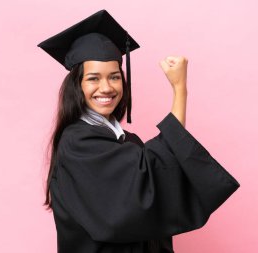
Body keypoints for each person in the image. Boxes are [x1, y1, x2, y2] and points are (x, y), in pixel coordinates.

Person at [38, 9, 240, 253]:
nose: (106, 87)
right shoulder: (78, 143)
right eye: (93, 78)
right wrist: (179, 90)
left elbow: (155, 195)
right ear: (77, 86)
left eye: (114, 77)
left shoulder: (126, 141)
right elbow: (144, 184)